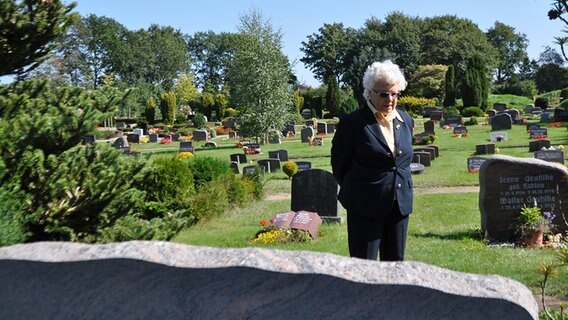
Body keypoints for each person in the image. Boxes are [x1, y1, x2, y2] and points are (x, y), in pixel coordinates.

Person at [331, 60, 414, 261]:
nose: (390, 99)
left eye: (395, 94)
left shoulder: (405, 120)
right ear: (369, 92)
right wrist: (363, 188)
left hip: (399, 203)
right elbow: (340, 165)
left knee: (395, 264)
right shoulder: (353, 124)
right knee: (364, 265)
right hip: (364, 205)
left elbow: (401, 161)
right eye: (384, 94)